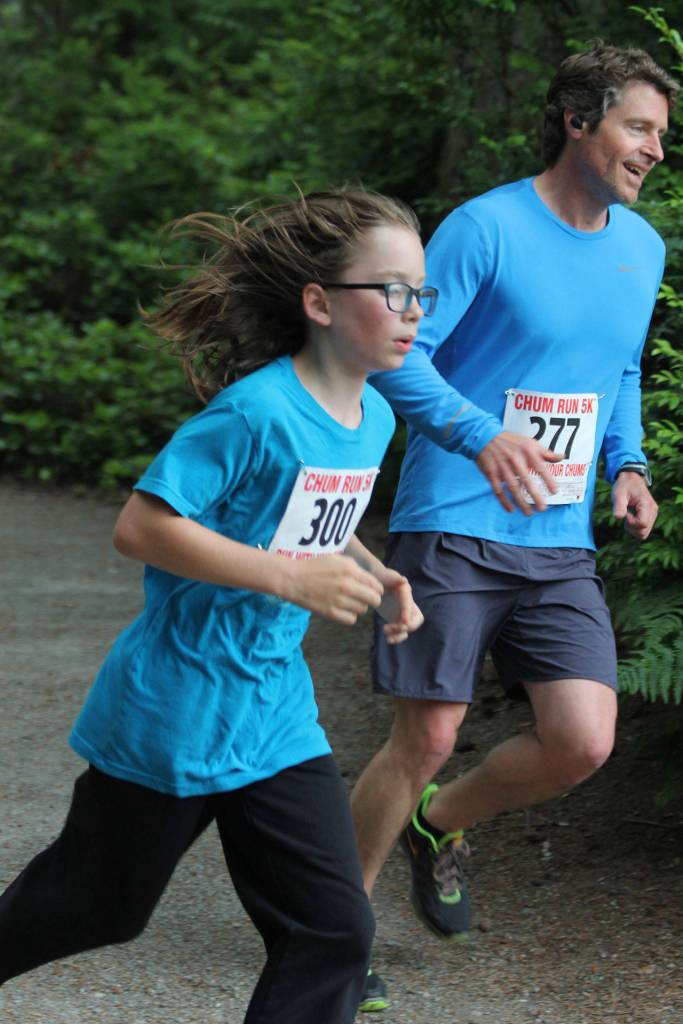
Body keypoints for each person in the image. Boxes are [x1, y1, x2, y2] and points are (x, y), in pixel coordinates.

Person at [0, 188, 428, 1023]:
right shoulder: (254, 412)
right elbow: (142, 526)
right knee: (98, 907)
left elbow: (307, 514)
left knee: (334, 931)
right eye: (392, 290)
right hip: (177, 707)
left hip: (273, 712)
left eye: (420, 292)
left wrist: (375, 574)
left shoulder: (372, 416)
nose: (413, 310)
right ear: (319, 304)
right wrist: (287, 579)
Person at [350, 43, 679, 1007]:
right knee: (426, 734)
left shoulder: (641, 246)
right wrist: (479, 434)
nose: (655, 150)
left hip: (557, 536)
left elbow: (619, 369)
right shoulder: (483, 228)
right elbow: (398, 354)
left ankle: (437, 823)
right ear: (577, 121)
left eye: (661, 134)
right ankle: (330, 937)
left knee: (581, 740)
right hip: (453, 518)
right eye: (637, 127)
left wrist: (627, 464)